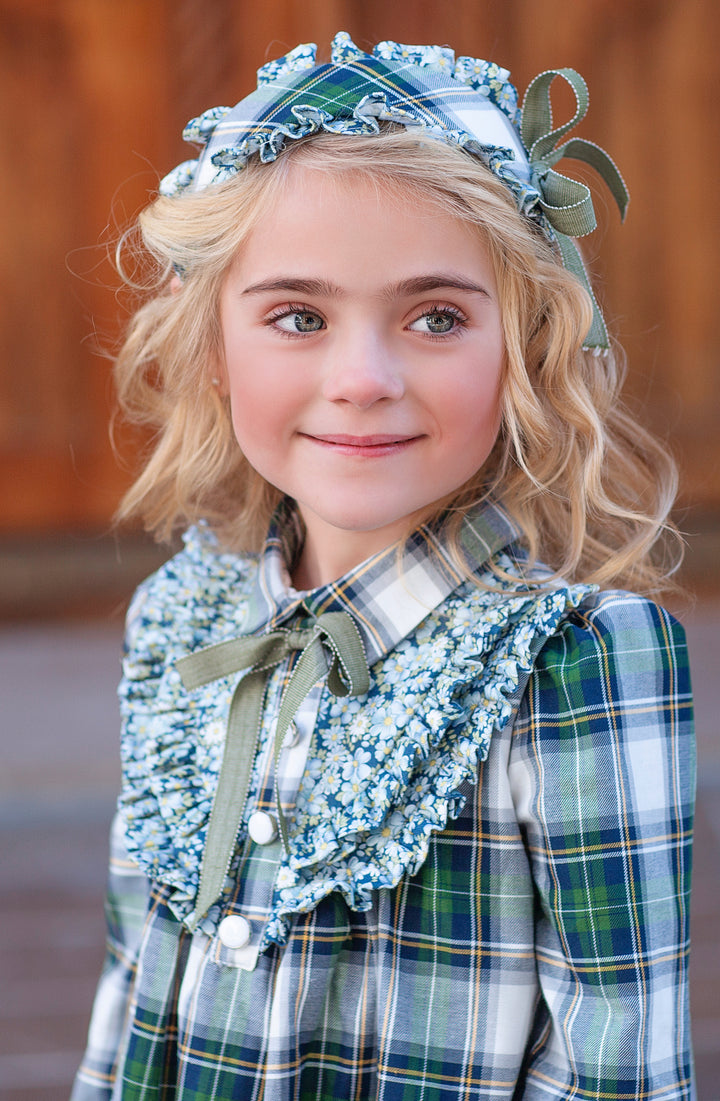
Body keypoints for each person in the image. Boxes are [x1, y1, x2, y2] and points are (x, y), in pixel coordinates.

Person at [72, 32, 696, 1100]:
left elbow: (618, 1062)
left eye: (437, 317)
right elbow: (132, 987)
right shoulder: (180, 620)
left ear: (527, 345)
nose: (362, 378)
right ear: (217, 350)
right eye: (299, 317)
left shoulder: (580, 662)